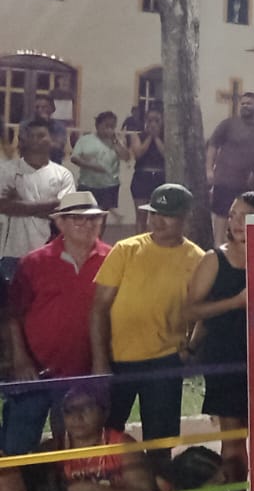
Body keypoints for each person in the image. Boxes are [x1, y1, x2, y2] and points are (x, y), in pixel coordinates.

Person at [182, 189, 254, 491]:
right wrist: (235, 302)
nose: (236, 222)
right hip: (226, 358)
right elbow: (191, 311)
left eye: (245, 216)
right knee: (234, 444)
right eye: (233, 214)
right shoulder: (214, 259)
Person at [90, 183, 206, 443]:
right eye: (154, 213)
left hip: (164, 361)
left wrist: (189, 349)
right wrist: (99, 361)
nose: (157, 221)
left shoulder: (197, 258)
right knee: (105, 435)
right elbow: (99, 308)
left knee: (160, 440)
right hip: (117, 359)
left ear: (185, 217)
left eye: (167, 215)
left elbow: (203, 311)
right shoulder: (125, 249)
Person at [2, 192, 109, 456]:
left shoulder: (113, 259)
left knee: (74, 446)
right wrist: (20, 359)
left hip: (83, 372)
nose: (86, 224)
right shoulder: (34, 262)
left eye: (93, 219)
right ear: (60, 223)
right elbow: (13, 313)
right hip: (35, 371)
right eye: (77, 219)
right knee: (17, 446)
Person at [1, 119, 77, 279]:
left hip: (48, 250)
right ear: (23, 140)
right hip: (11, 251)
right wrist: (49, 205)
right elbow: (2, 206)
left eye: (41, 135)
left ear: (52, 140)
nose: (35, 140)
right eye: (31, 136)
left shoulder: (63, 175)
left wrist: (17, 203)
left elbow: (64, 213)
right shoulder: (7, 170)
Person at [204, 92, 254, 244]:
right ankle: (220, 250)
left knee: (250, 219)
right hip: (226, 181)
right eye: (243, 103)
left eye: (249, 103)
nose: (245, 106)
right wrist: (209, 169)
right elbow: (213, 145)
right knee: (222, 218)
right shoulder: (228, 124)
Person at [70, 111, 128, 214]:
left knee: (102, 215)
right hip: (87, 184)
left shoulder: (117, 141)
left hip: (109, 185)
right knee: (85, 215)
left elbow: (126, 157)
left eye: (112, 126)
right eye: (106, 126)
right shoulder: (85, 140)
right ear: (97, 125)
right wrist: (91, 166)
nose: (109, 129)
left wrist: (115, 142)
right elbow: (74, 158)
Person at [127, 106, 167, 224]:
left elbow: (167, 155)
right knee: (141, 216)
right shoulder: (137, 135)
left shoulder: (166, 136)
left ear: (162, 121)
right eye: (150, 120)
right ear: (145, 121)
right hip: (142, 177)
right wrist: (150, 137)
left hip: (160, 177)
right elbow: (138, 153)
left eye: (157, 120)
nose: (153, 124)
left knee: (159, 216)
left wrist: (157, 138)